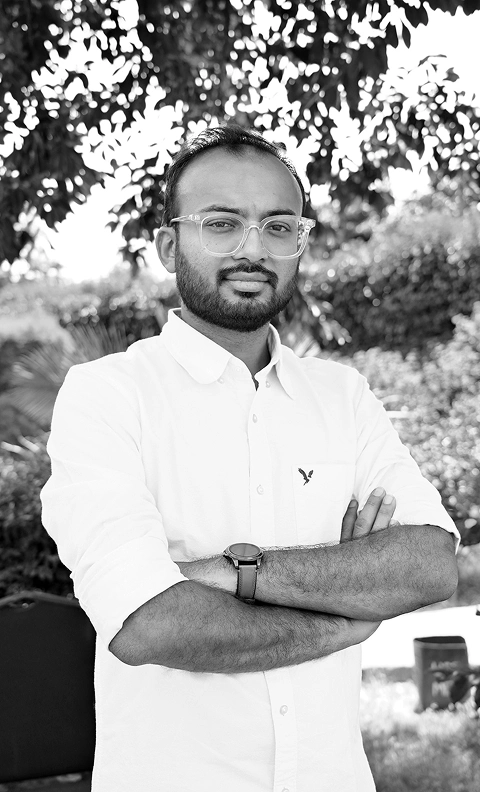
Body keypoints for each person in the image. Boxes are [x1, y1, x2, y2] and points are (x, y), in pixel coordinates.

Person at [41, 125, 459, 792]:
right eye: (222, 224)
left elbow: (430, 563)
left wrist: (231, 573)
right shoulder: (107, 396)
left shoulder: (343, 397)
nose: (253, 249)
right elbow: (148, 623)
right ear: (168, 246)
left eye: (278, 226)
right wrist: (346, 618)